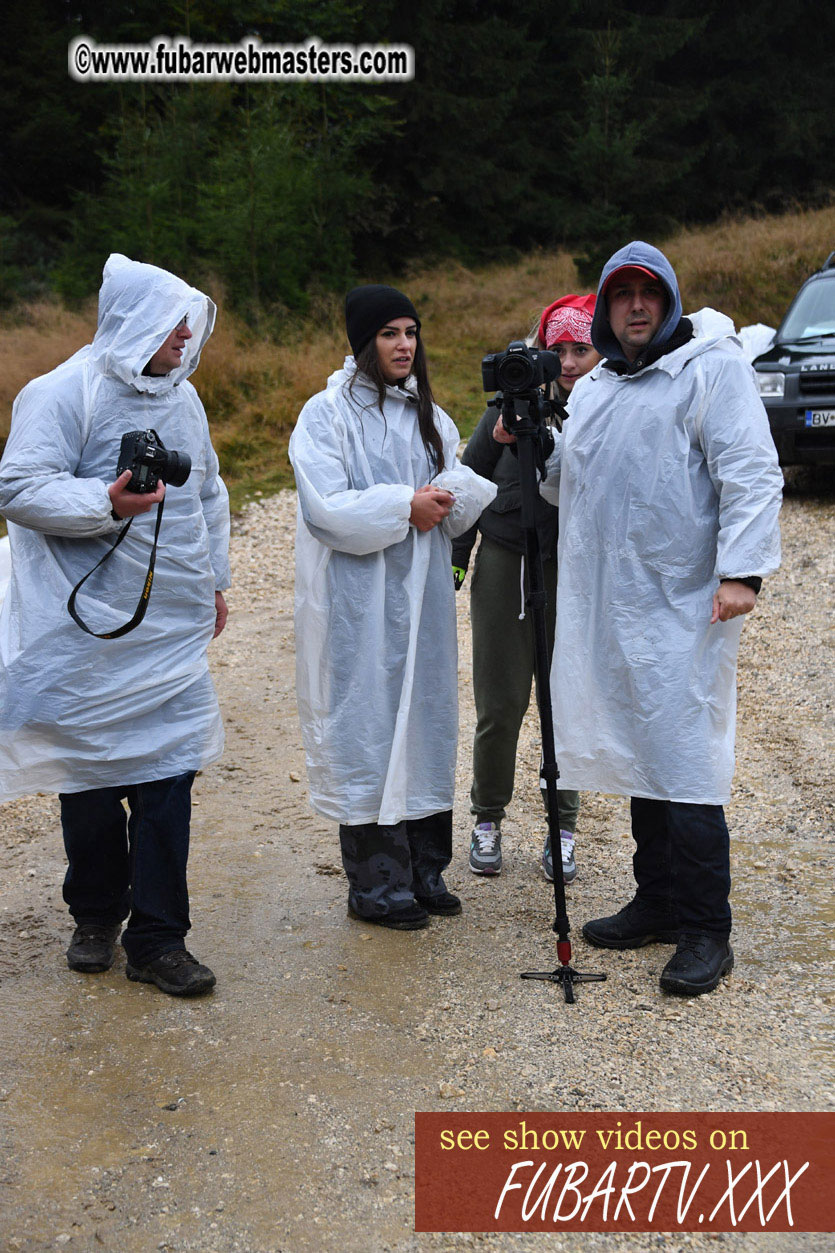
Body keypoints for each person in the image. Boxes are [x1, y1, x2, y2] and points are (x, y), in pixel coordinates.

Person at [529, 241, 782, 996]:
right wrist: (535, 443)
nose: (635, 305)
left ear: (668, 301)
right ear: (605, 309)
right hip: (617, 606)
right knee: (644, 748)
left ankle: (706, 928)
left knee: (687, 761)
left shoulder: (711, 370)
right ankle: (659, 899)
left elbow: (750, 470)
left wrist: (741, 571)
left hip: (687, 603)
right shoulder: (598, 386)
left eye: (648, 292)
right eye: (621, 293)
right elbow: (567, 484)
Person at [0, 254, 230, 997]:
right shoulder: (64, 392)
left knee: (169, 774)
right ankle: (96, 913)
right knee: (92, 778)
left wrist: (215, 581)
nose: (185, 336)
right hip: (84, 629)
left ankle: (159, 938)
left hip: (168, 629)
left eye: (189, 324)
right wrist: (105, 502)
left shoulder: (183, 398)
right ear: (133, 323)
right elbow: (18, 486)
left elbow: (209, 492)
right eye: (172, 324)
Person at [289, 284, 497, 930]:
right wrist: (403, 505)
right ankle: (377, 883)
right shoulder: (326, 415)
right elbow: (326, 509)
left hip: (423, 597)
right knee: (370, 726)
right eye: (389, 334)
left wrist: (453, 489)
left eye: (410, 332)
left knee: (425, 721)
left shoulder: (428, 416)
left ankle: (424, 868)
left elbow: (450, 494)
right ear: (363, 342)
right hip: (360, 601)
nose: (404, 345)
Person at [451, 294, 600, 884]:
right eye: (558, 350)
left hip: (571, 571)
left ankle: (562, 829)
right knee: (499, 705)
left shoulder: (607, 408)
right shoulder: (511, 406)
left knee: (564, 704)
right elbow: (467, 483)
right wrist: (457, 564)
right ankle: (487, 818)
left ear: (600, 352)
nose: (570, 362)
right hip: (503, 564)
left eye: (581, 349)